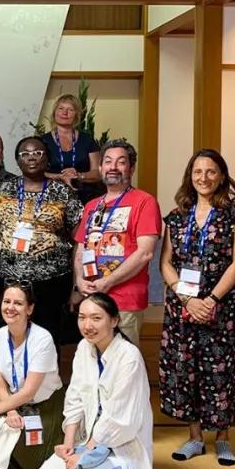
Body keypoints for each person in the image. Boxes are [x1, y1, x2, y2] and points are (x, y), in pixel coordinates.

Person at [159, 150, 235, 466]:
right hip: (182, 306)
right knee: (186, 369)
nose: (204, 178)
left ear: (222, 175)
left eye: (211, 171)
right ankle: (195, 437)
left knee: (219, 369)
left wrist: (210, 300)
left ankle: (222, 437)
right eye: (198, 172)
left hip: (218, 306)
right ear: (190, 176)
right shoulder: (177, 215)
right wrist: (187, 300)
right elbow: (166, 263)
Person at [38, 293, 154, 469]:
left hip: (121, 444)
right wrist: (69, 444)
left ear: (114, 321)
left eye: (96, 318)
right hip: (88, 441)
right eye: (82, 317)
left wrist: (84, 456)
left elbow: (119, 419)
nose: (87, 325)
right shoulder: (84, 347)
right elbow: (74, 398)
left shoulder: (129, 356)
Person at [0, 136, 83, 344]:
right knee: (6, 340)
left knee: (47, 340)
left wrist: (77, 284)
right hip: (5, 281)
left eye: (38, 153)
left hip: (52, 282)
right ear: (17, 160)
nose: (31, 158)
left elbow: (80, 239)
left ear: (47, 159)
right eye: (25, 154)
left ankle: (46, 378)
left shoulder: (63, 192)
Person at [73, 139, 161, 348]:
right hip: (92, 299)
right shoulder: (92, 206)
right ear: (101, 167)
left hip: (124, 301)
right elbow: (80, 248)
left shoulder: (144, 202)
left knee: (123, 366)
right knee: (93, 364)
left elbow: (145, 253)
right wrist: (79, 279)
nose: (113, 167)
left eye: (120, 162)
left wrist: (108, 282)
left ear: (131, 168)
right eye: (108, 161)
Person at [0, 282, 64, 469]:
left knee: (34, 463)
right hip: (12, 403)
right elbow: (0, 385)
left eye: (18, 303)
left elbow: (28, 392)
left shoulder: (42, 339)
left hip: (44, 404)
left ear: (30, 309)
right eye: (6, 301)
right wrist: (9, 411)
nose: (10, 307)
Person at [43, 94, 103, 203]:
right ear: (54, 112)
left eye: (70, 109)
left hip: (85, 197)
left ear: (76, 115)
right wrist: (59, 177)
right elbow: (36, 173)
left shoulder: (87, 140)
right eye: (61, 108)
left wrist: (78, 176)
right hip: (51, 199)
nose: (64, 113)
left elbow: (97, 172)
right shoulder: (42, 141)